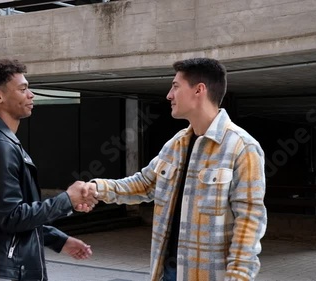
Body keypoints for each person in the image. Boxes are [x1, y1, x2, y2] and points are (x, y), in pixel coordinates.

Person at [86, 58, 267, 281]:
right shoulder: (176, 144)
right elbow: (144, 184)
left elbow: (249, 221)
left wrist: (239, 276)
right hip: (167, 274)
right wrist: (96, 188)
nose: (169, 95)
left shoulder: (242, 147)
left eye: (175, 86)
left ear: (199, 90)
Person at [0, 58, 98, 281]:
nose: (31, 94)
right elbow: (12, 218)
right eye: (23, 89)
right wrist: (67, 200)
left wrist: (59, 240)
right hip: (2, 273)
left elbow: (7, 217)